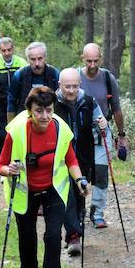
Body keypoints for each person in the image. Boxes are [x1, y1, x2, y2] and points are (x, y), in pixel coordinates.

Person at [0, 86, 90, 268]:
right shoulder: (17, 130)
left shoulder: (60, 129)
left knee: (53, 237)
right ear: (30, 111)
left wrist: (80, 181)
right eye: (39, 111)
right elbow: (0, 165)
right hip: (24, 190)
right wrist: (8, 170)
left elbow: (71, 160)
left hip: (53, 189)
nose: (45, 116)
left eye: (49, 110)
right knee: (27, 236)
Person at [53, 68, 107, 257]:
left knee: (80, 193)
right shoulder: (52, 103)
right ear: (60, 85)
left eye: (75, 86)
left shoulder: (89, 102)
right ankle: (73, 236)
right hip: (60, 158)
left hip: (83, 156)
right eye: (67, 86)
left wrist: (103, 125)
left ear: (80, 85)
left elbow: (102, 126)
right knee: (68, 195)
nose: (71, 90)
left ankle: (76, 225)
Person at [77, 43, 128, 229]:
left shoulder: (107, 78)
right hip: (79, 132)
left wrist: (121, 136)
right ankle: (78, 211)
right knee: (80, 172)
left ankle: (97, 212)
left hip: (102, 131)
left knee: (100, 172)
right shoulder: (75, 77)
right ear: (83, 58)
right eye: (88, 60)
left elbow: (116, 108)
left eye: (95, 60)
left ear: (101, 59)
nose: (92, 65)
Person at [8, 41, 61, 119]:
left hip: (49, 120)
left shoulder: (55, 74)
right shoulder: (19, 75)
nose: (37, 63)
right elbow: (11, 102)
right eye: (33, 59)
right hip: (25, 120)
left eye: (40, 59)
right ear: (28, 59)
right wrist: (10, 127)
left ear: (45, 57)